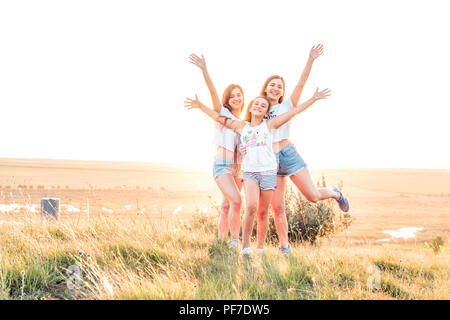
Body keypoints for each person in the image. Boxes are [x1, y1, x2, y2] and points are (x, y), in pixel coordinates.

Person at [185, 88, 330, 255]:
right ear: (251, 107)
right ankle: (245, 246)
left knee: (263, 211)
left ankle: (260, 248)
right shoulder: (242, 126)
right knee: (251, 206)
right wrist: (200, 105)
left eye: (263, 106)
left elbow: (293, 112)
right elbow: (219, 118)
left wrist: (313, 99)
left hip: (269, 172)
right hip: (249, 173)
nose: (259, 106)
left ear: (267, 112)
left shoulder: (270, 124)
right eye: (256, 104)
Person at [256, 44, 349, 255]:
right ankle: (284, 247)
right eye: (272, 85)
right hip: (269, 161)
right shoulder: (259, 106)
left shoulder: (287, 105)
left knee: (313, 196)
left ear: (282, 91)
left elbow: (300, 83)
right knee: (277, 208)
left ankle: (334, 193)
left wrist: (311, 59)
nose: (275, 88)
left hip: (288, 155)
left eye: (279, 86)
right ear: (265, 87)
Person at [189, 54, 244, 248]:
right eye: (232, 95)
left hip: (239, 168)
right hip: (222, 165)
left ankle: (221, 243)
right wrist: (204, 69)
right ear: (227, 99)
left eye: (239, 95)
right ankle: (235, 241)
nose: (236, 98)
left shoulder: (244, 123)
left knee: (226, 205)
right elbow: (212, 91)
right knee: (236, 200)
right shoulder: (222, 114)